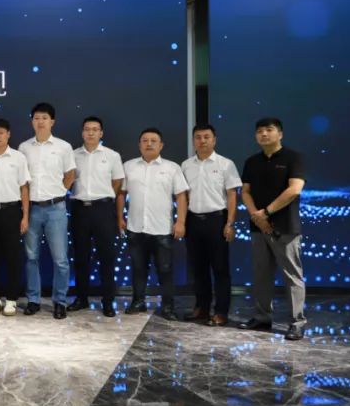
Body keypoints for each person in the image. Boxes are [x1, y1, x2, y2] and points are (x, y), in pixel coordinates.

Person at [239, 117, 307, 341]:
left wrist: (266, 213)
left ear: (280, 134)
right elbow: (245, 192)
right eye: (259, 131)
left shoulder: (293, 158)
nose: (264, 134)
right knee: (261, 274)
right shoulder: (251, 161)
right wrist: (256, 216)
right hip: (258, 227)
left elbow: (294, 190)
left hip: (285, 227)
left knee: (292, 275)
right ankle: (262, 317)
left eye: (269, 130)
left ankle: (297, 322)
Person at [118, 128, 189, 320]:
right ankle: (138, 302)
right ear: (139, 144)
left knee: (165, 269)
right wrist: (120, 217)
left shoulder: (172, 167)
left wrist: (180, 221)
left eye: (153, 141)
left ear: (161, 145)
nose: (149, 144)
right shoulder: (129, 166)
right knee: (138, 268)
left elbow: (181, 195)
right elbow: (122, 194)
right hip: (136, 227)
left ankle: (168, 307)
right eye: (145, 140)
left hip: (162, 229)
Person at [19, 103, 76, 319]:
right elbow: (22, 181)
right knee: (31, 257)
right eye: (36, 118)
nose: (40, 121)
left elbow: (70, 174)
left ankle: (60, 301)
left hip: (56, 208)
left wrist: (60, 191)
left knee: (60, 259)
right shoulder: (24, 147)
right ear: (32, 121)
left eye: (44, 118)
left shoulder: (63, 147)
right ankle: (33, 300)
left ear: (52, 121)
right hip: (32, 208)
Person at [181, 124, 241, 326]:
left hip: (217, 220)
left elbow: (232, 195)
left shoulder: (226, 164)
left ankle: (221, 311)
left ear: (214, 140)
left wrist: (230, 223)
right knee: (198, 269)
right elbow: (184, 196)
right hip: (193, 221)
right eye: (198, 137)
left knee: (220, 269)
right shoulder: (186, 165)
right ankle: (202, 308)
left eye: (206, 137)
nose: (202, 140)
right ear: (193, 141)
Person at [68, 116, 125, 318]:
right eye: (87, 129)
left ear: (101, 133)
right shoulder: (72, 155)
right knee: (80, 257)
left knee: (106, 257)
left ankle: (108, 301)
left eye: (95, 129)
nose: (90, 132)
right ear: (82, 132)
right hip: (79, 209)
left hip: (103, 210)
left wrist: (104, 196)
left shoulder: (112, 155)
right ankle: (81, 298)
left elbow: (117, 182)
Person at [0, 119, 30, 317]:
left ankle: (11, 300)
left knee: (13, 258)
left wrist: (25, 215)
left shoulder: (18, 158)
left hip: (12, 211)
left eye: (1, 133)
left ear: (8, 134)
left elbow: (24, 188)